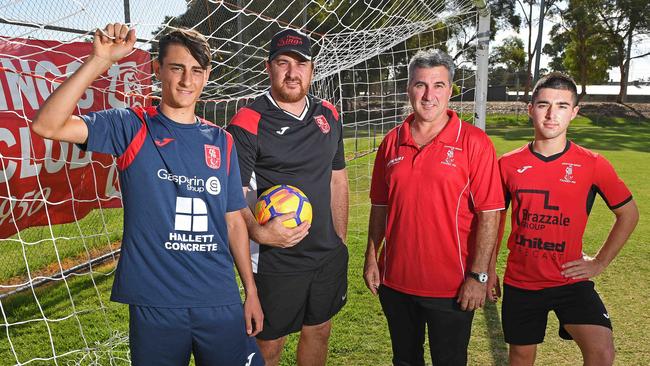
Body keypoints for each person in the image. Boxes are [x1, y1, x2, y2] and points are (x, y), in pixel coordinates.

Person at [31, 23, 264, 366]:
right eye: (177, 68)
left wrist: (251, 291)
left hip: (219, 298)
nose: (187, 80)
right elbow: (46, 125)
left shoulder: (222, 142)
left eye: (197, 71)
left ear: (207, 76)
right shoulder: (131, 126)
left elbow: (232, 222)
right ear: (158, 70)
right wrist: (99, 61)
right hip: (156, 304)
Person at [363, 49, 504, 366]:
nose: (429, 95)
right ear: (409, 88)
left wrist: (479, 276)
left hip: (452, 287)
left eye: (438, 85)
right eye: (420, 85)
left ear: (451, 90)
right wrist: (372, 257)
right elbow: (380, 205)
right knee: (405, 360)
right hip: (395, 283)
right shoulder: (391, 141)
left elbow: (490, 214)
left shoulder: (474, 142)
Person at [492, 72, 639, 365]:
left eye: (561, 105)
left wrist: (599, 262)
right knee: (521, 356)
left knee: (602, 351)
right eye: (543, 104)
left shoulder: (593, 164)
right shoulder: (507, 164)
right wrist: (485, 269)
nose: (550, 114)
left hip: (569, 279)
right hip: (522, 282)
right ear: (530, 108)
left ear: (573, 113)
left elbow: (629, 214)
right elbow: (494, 220)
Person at [226, 28, 349, 366]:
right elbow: (234, 196)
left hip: (326, 256)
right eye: (283, 63)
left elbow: (338, 178)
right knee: (269, 345)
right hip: (276, 261)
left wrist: (339, 238)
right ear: (269, 68)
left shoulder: (329, 114)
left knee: (319, 330)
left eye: (301, 64)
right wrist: (260, 232)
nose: (293, 73)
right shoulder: (248, 121)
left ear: (312, 69)